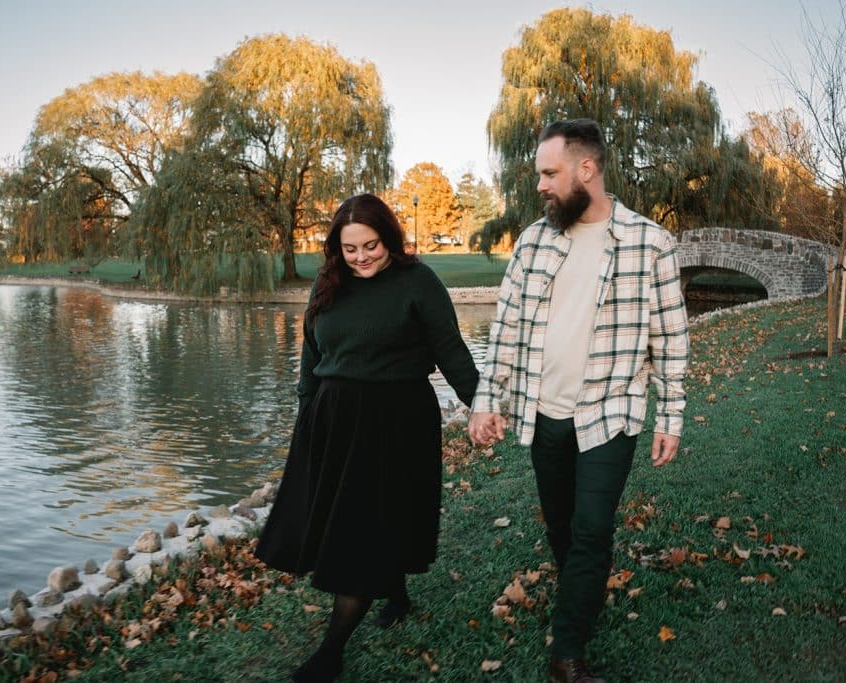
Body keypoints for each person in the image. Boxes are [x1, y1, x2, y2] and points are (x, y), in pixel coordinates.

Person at [468, 119, 689, 683]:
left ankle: (567, 653)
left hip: (610, 413)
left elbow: (669, 337)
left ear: (585, 169)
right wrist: (484, 402)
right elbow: (508, 329)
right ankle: (580, 590)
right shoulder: (534, 241)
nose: (540, 185)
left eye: (549, 172)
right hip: (545, 415)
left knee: (593, 528)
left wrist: (672, 415)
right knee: (563, 527)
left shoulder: (650, 242)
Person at [256, 193, 479, 682]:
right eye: (350, 248)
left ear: (390, 239)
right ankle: (394, 592)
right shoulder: (329, 280)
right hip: (334, 418)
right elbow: (312, 351)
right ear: (337, 248)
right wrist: (305, 410)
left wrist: (481, 406)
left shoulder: (418, 282)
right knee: (362, 520)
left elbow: (451, 351)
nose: (361, 257)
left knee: (363, 528)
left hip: (396, 421)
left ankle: (330, 652)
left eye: (371, 246)